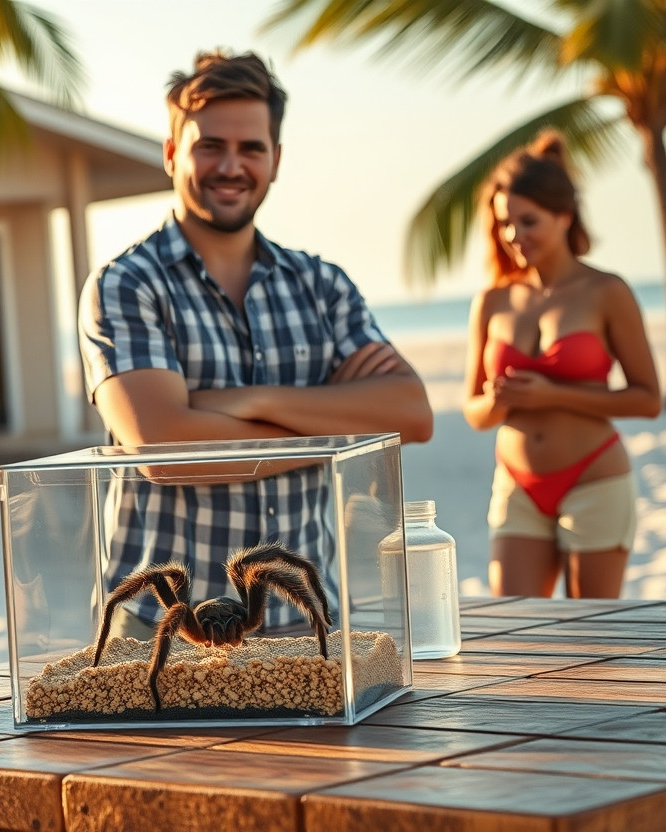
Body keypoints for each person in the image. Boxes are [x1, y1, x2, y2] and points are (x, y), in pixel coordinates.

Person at [77, 50, 432, 637]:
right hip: (163, 633)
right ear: (171, 153)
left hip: (309, 625)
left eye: (251, 149)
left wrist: (245, 401)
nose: (231, 166)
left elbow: (412, 413)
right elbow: (163, 448)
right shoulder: (125, 284)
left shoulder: (323, 286)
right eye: (209, 146)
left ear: (276, 160)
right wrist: (335, 435)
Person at [465, 130, 660, 599]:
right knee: (516, 635)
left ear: (564, 214)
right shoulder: (491, 301)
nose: (514, 236)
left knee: (588, 642)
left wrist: (549, 395)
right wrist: (497, 400)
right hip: (517, 485)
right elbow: (474, 412)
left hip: (595, 478)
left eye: (528, 222)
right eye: (505, 224)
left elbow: (648, 399)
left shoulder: (607, 292)